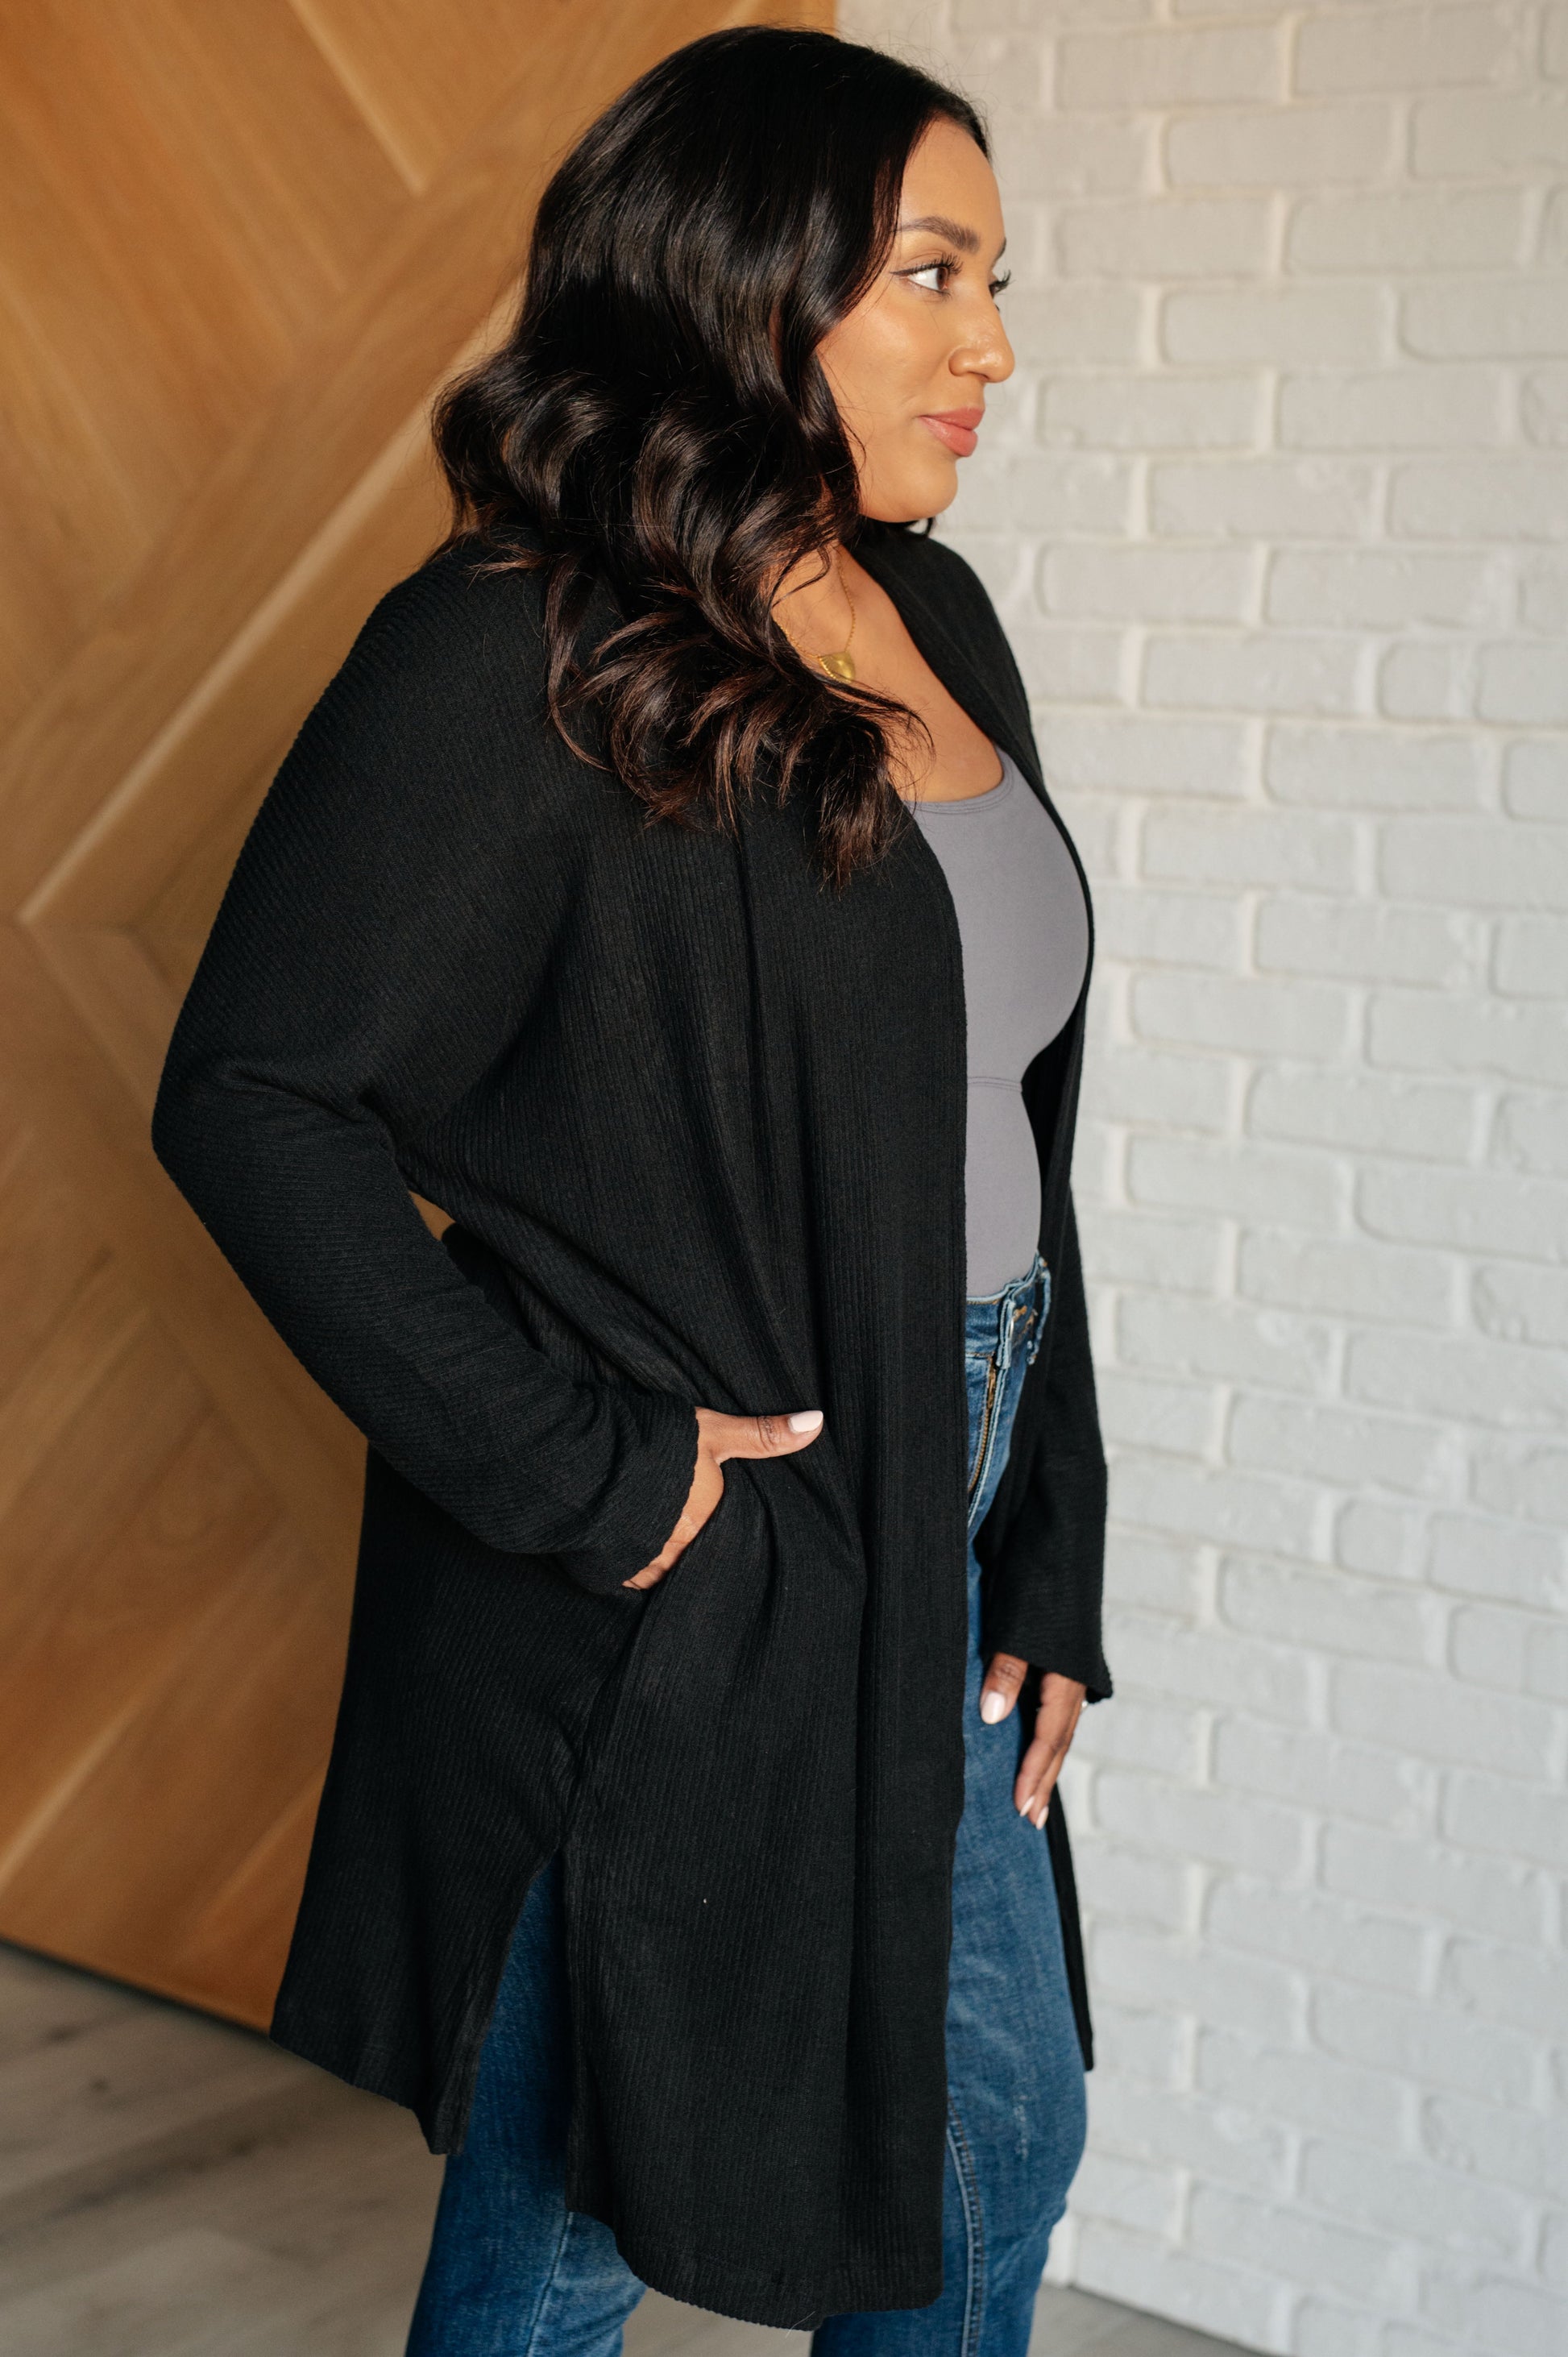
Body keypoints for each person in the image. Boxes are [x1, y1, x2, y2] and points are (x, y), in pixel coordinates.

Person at [151, 27, 1112, 2356]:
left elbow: (999, 1112)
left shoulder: (932, 616)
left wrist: (1050, 1538)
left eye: (994, 281)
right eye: (930, 275)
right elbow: (253, 1095)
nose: (990, 346)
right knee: (600, 2208)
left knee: (979, 2141)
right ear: (740, 281)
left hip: (947, 1490)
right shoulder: (516, 645)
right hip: (697, 1562)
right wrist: (592, 1472)